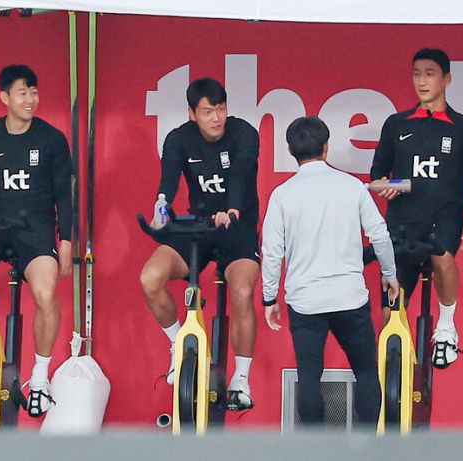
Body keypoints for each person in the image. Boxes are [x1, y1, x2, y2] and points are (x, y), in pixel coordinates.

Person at [261, 116, 398, 427]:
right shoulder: (352, 186)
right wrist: (390, 275)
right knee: (366, 371)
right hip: (350, 297)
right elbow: (379, 235)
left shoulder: (282, 195)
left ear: (290, 150)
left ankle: (315, 449)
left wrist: (269, 298)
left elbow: (272, 253)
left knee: (309, 376)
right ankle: (368, 446)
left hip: (305, 302)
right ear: (326, 147)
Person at [0, 64, 73, 417]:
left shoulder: (52, 139)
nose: (30, 99)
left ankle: (40, 378)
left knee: (46, 293)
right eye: (22, 93)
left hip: (36, 233)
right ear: (5, 97)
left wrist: (66, 241)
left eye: (34, 92)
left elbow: (65, 197)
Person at [139, 77, 259, 410]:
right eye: (207, 112)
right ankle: (179, 345)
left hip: (237, 229)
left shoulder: (244, 133)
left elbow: (241, 174)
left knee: (242, 292)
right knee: (150, 278)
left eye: (221, 109)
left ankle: (241, 380)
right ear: (192, 113)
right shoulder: (178, 138)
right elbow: (168, 180)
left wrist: (232, 210)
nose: (216, 118)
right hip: (198, 227)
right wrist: (161, 207)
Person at [370, 48, 463, 369]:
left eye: (429, 74)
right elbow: (377, 174)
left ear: (446, 79)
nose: (422, 81)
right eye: (416, 74)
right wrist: (386, 185)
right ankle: (395, 376)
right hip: (402, 223)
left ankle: (447, 327)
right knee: (388, 314)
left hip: (444, 220)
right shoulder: (396, 124)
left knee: (442, 253)